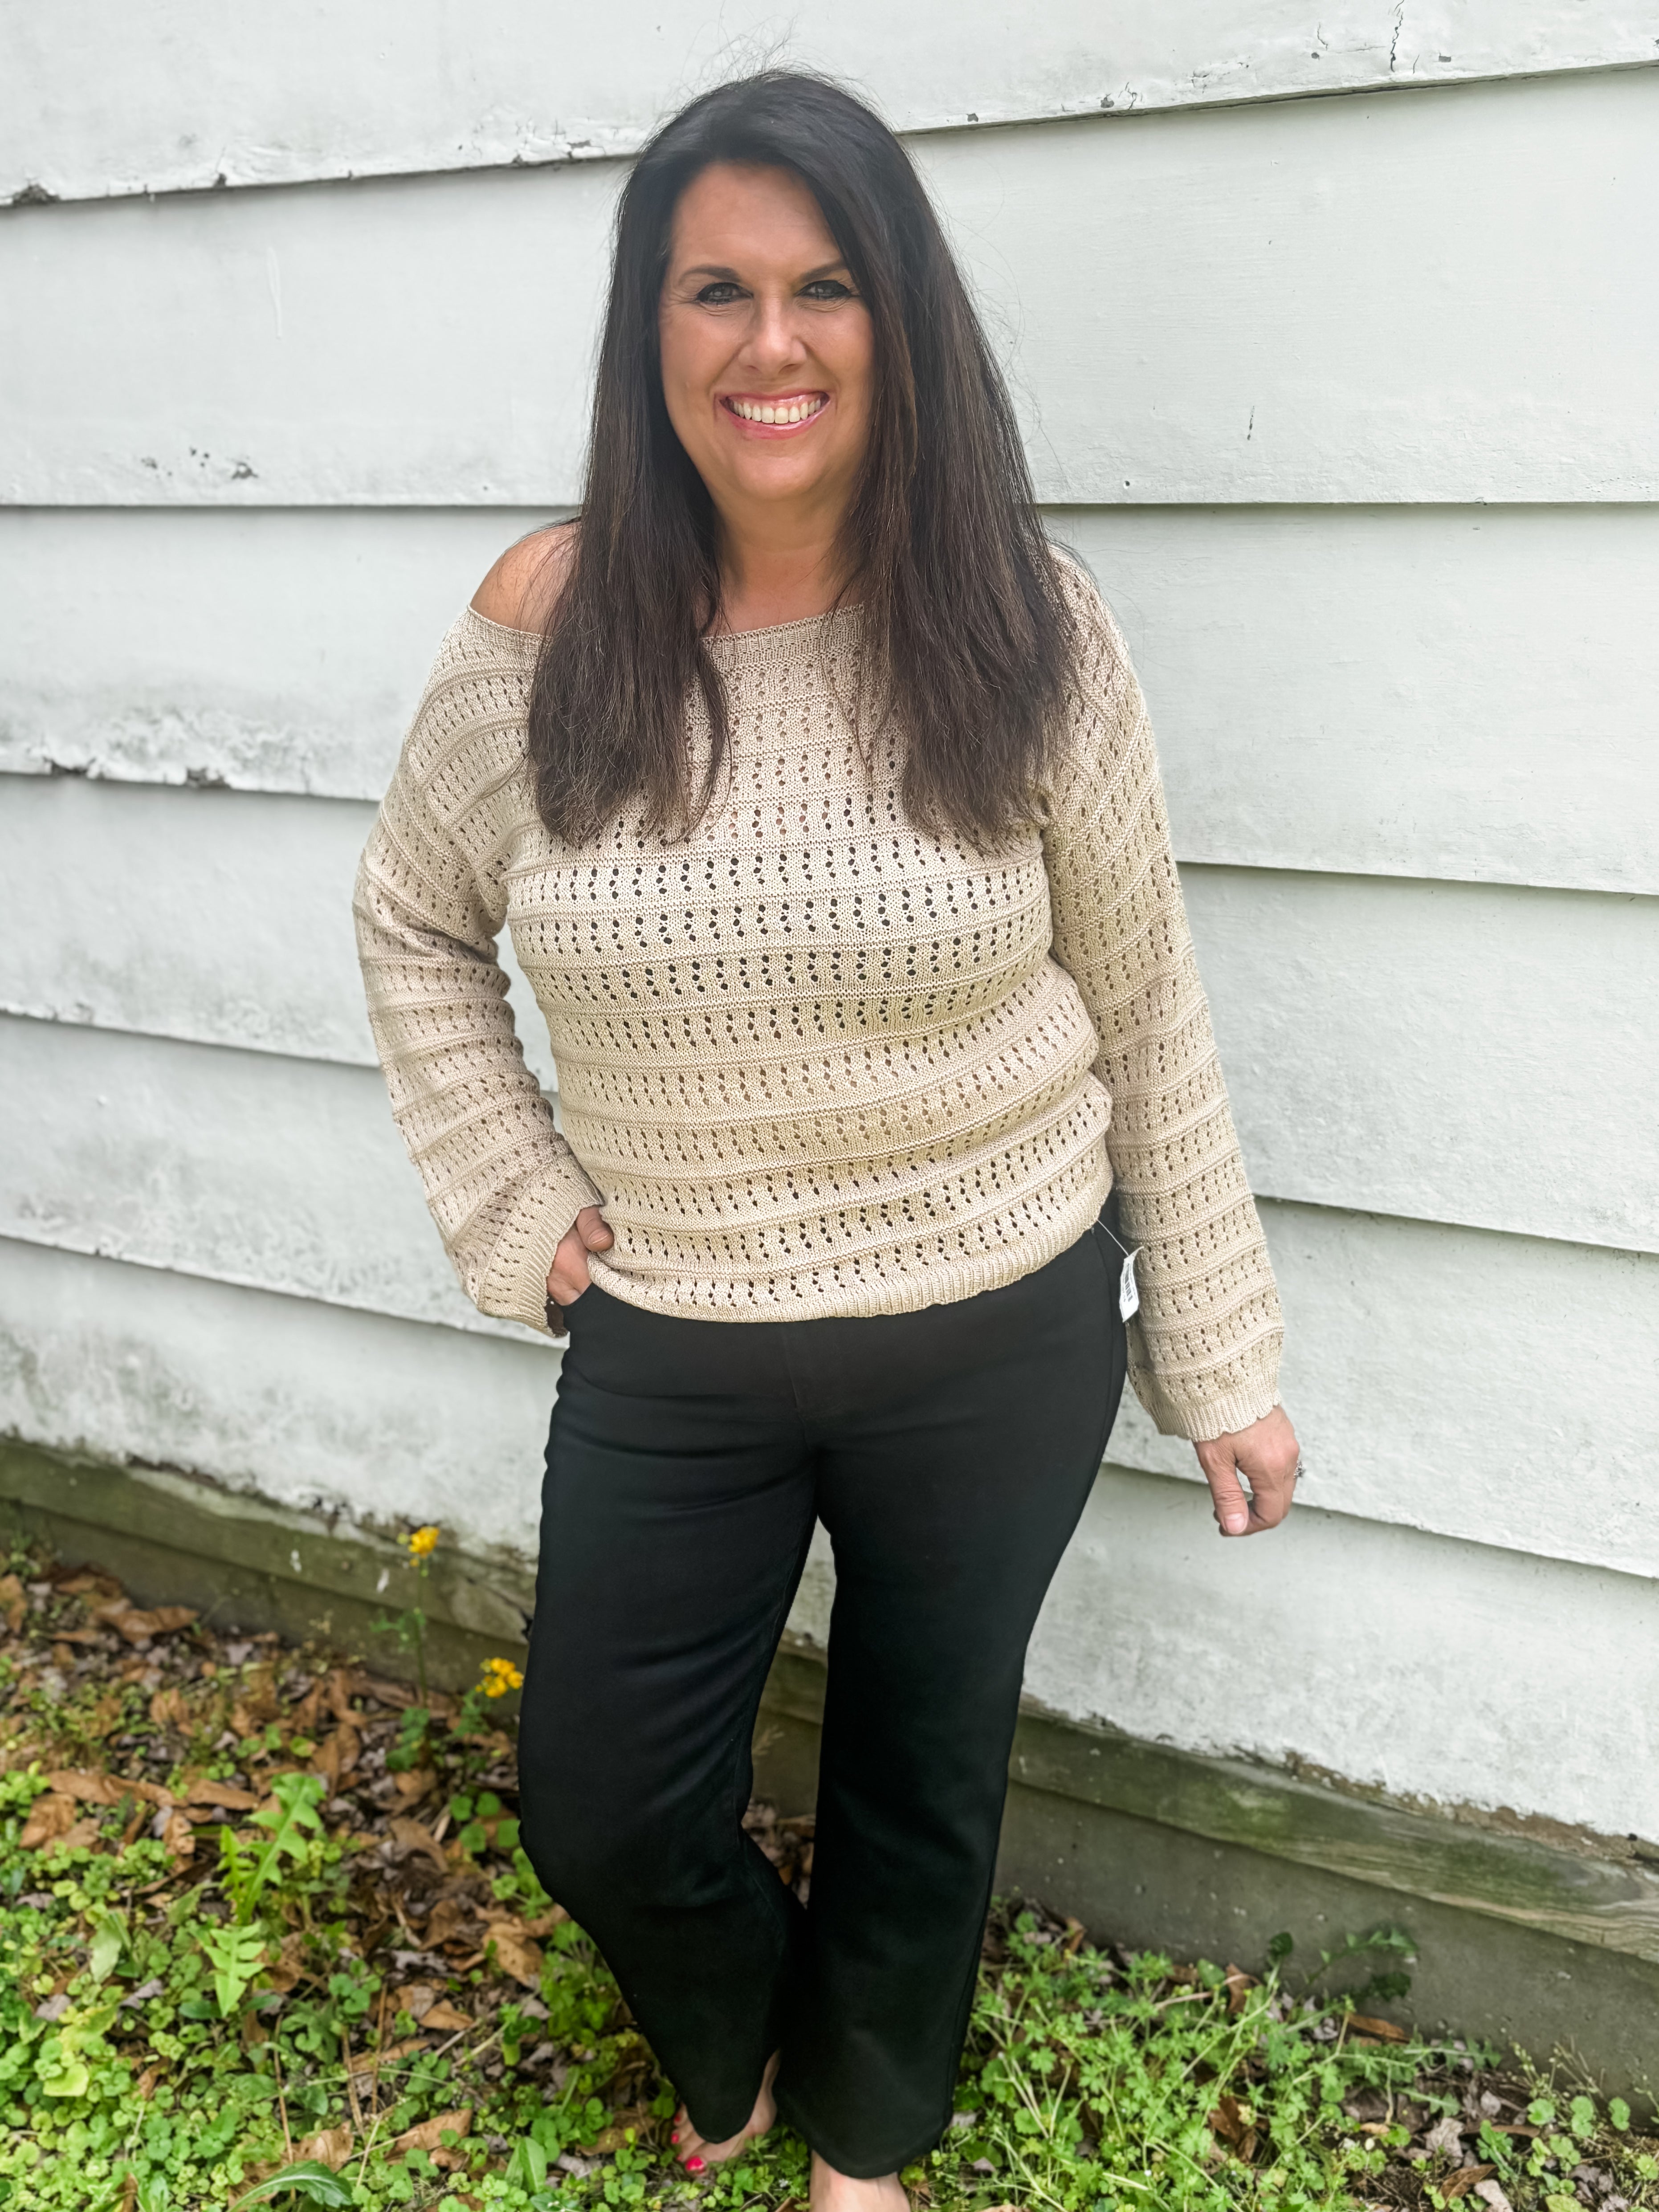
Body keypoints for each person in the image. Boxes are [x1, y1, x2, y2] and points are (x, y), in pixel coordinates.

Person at [355, 69, 1300, 2212]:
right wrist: (515, 1193)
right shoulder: (542, 626)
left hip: (997, 1316)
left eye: (822, 287)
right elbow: (412, 921)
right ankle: (732, 2024)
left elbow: (1145, 1001)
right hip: (678, 1327)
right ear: (650, 327)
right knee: (599, 1799)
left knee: (915, 1773)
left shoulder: (1021, 625)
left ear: (896, 322)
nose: (766, 342)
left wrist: (1219, 1351)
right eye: (715, 290)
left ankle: (864, 2138)